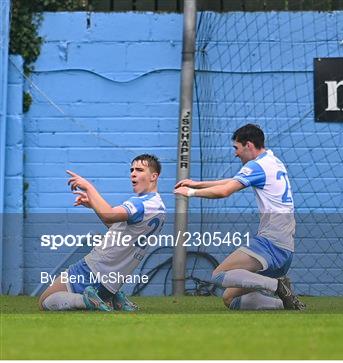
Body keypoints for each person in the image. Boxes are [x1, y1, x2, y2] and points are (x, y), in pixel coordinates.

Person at [174, 124, 304, 310]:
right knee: (230, 299)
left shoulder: (257, 165)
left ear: (249, 145)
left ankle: (277, 286)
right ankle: (287, 304)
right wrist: (198, 184)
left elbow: (225, 191)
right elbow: (234, 181)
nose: (235, 153)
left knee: (219, 274)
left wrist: (191, 193)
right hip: (286, 249)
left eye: (237, 148)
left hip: (272, 244)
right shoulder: (273, 161)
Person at [39, 154, 166, 311]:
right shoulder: (159, 207)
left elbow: (109, 214)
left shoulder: (140, 203)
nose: (133, 173)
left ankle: (85, 300)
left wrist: (89, 187)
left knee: (44, 302)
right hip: (113, 280)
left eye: (139, 170)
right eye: (132, 169)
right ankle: (115, 299)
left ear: (154, 176)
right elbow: (119, 230)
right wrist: (93, 205)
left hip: (93, 268)